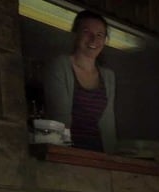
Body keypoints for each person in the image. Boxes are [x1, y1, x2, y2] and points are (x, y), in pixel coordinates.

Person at [44, 9, 117, 153]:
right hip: (69, 155)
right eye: (86, 32)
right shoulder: (60, 66)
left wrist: (112, 160)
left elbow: (108, 124)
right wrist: (65, 158)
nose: (93, 40)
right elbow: (59, 117)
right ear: (75, 35)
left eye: (99, 35)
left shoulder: (108, 76)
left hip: (99, 156)